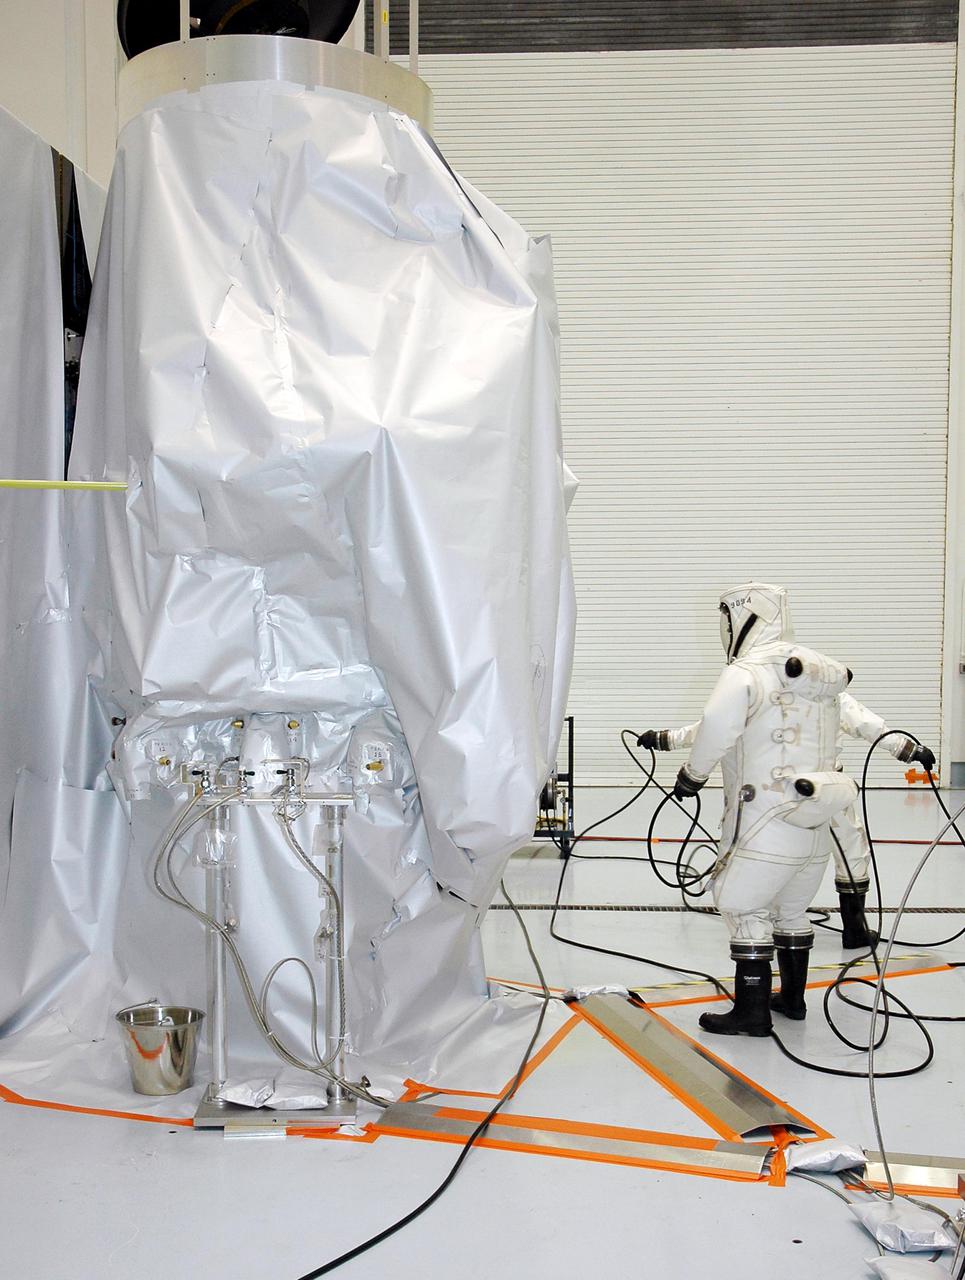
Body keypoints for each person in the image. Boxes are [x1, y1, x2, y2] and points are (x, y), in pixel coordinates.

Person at [637, 582, 934, 1038]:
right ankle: (792, 999)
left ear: (741, 618)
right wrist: (906, 747)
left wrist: (692, 776)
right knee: (791, 912)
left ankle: (751, 1013)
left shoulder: (746, 674)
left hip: (763, 823)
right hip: (816, 824)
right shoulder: (816, 682)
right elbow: (865, 721)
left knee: (743, 906)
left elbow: (718, 725)